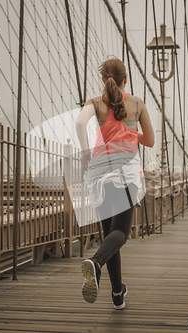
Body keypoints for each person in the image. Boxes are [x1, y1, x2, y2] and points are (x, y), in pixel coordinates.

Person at [75, 57, 155, 310]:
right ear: (125, 80)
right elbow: (150, 141)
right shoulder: (137, 103)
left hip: (98, 172)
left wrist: (85, 150)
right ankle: (96, 263)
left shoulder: (95, 102)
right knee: (121, 232)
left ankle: (117, 294)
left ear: (103, 80)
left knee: (110, 233)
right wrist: (131, 133)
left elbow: (79, 123)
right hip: (125, 173)